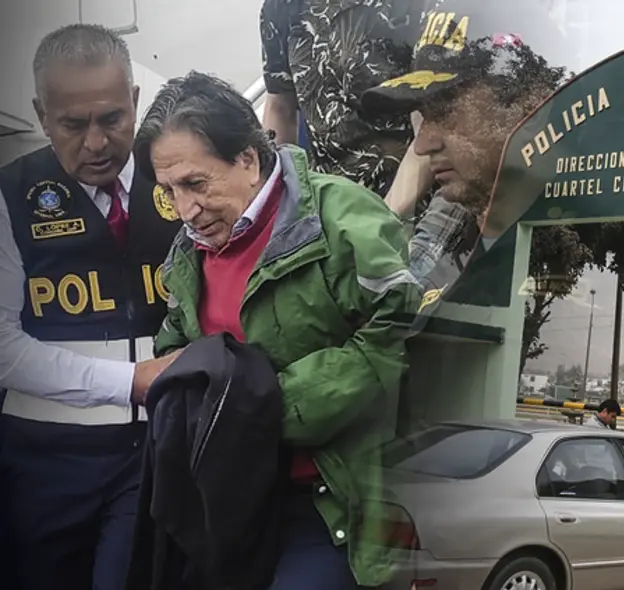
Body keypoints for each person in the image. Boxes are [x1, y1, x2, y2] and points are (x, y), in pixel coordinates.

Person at [133, 70, 421, 589]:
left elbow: (393, 332)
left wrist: (264, 409)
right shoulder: (186, 252)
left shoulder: (340, 217)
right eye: (169, 190)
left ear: (247, 156)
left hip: (326, 503)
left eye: (196, 184)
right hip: (224, 503)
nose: (185, 210)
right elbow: (175, 353)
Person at [0, 24, 183, 590]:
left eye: (111, 119)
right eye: (73, 126)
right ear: (41, 114)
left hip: (155, 452)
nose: (97, 143)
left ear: (134, 102)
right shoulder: (10, 196)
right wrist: (129, 381)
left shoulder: (178, 178)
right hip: (43, 463)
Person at [360, 0, 572, 306]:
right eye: (423, 114)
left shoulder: (586, 231)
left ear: (528, 106)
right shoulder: (455, 228)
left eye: (446, 112)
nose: (421, 146)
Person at [258, 0, 476, 291]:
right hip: (330, 215)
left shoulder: (422, 7)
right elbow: (281, 107)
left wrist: (376, 222)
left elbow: (437, 124)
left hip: (413, 209)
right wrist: (274, 212)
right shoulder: (282, 7)